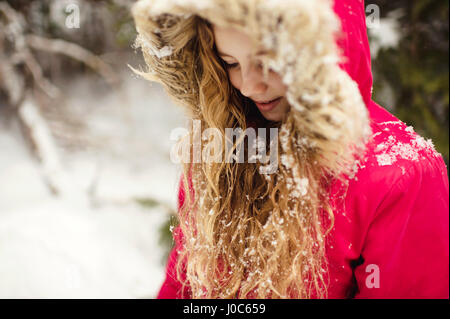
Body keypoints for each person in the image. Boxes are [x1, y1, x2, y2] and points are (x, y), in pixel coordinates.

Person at [132, 0, 449, 299]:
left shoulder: (399, 174)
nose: (249, 85)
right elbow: (184, 284)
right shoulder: (222, 151)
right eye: (230, 62)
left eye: (267, 61)